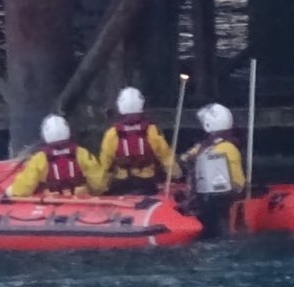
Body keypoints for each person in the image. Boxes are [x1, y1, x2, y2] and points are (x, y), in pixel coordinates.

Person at [4, 114, 108, 199]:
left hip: (52, 199)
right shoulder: (82, 153)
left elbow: (25, 186)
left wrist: (12, 192)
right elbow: (98, 182)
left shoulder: (40, 159)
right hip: (79, 198)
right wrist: (95, 193)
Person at [180, 102, 246, 234]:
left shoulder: (204, 147)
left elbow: (183, 159)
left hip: (214, 201)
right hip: (225, 198)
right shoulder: (230, 147)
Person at [99, 86, 176, 194]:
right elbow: (166, 157)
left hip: (122, 185)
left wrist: (101, 188)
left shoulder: (112, 133)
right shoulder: (151, 130)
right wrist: (177, 175)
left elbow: (104, 165)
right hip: (147, 184)